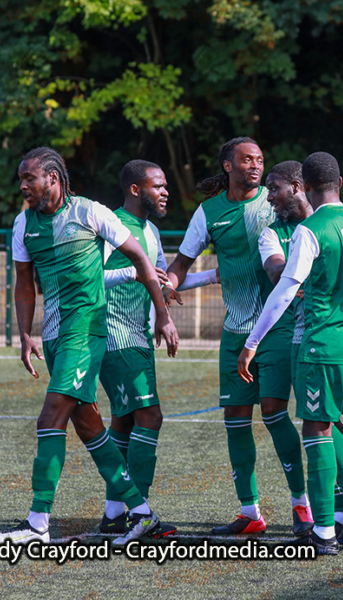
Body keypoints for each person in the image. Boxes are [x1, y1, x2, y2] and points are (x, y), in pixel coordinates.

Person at [0, 147, 179, 544]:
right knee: (90, 427)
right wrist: (25, 334)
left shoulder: (91, 212)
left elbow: (142, 260)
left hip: (87, 331)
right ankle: (141, 514)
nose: (23, 185)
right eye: (21, 179)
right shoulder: (24, 224)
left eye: (29, 178)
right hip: (56, 338)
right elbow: (24, 283)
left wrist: (161, 313)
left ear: (53, 179)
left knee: (49, 418)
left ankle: (37, 522)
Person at [237, 151, 343, 555]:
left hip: (319, 341)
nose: (270, 196)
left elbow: (285, 288)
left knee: (316, 430)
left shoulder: (310, 230)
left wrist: (251, 343)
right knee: (328, 422)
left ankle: (326, 530)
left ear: (304, 185)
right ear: (340, 182)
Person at [165, 137, 308, 536]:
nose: (256, 166)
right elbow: (180, 262)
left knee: (276, 414)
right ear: (228, 165)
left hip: (277, 328)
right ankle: (250, 512)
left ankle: (302, 506)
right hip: (235, 331)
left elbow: (317, 218)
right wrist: (169, 284)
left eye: (260, 159)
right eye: (247, 160)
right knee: (236, 419)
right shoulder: (209, 212)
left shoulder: (277, 200)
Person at [97, 160, 219, 543]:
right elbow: (89, 278)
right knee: (150, 416)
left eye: (165, 185)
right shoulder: (109, 225)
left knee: (125, 420)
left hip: (138, 337)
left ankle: (114, 514)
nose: (165, 191)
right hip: (115, 335)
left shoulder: (149, 229)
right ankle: (139, 511)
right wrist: (133, 276)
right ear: (135, 189)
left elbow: (166, 282)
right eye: (158, 185)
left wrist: (215, 275)